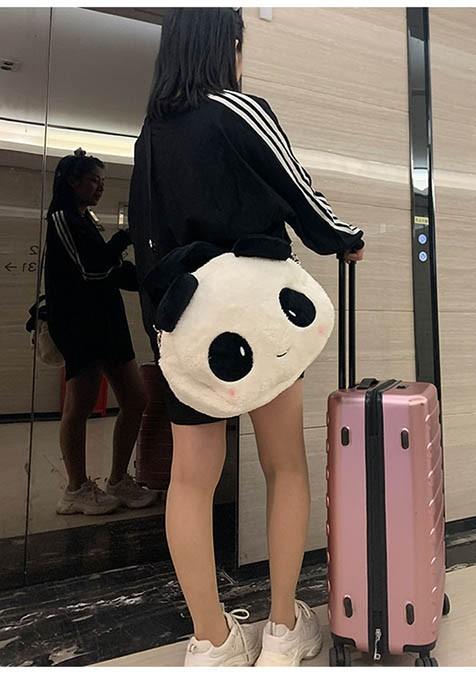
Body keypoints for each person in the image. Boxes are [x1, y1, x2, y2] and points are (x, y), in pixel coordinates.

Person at [128, 8, 365, 668]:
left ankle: (211, 642)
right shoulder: (238, 109)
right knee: (283, 463)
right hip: (256, 321)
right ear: (226, 41)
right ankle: (284, 629)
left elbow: (145, 233)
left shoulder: (152, 134)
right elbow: (299, 194)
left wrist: (164, 328)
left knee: (189, 482)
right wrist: (344, 239)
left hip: (188, 327)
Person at [45, 149, 157, 516]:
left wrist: (151, 277)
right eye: (94, 180)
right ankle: (75, 489)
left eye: (102, 181)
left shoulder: (86, 220)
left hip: (108, 323)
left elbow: (109, 271)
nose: (100, 187)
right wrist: (125, 237)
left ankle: (118, 479)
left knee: (135, 399)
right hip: (81, 326)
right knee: (79, 406)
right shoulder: (62, 219)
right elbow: (92, 269)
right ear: (72, 181)